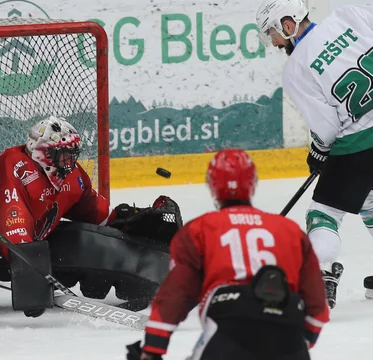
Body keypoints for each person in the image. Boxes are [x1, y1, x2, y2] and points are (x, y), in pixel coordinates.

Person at [255, 0, 373, 307]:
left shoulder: (296, 70)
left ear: (288, 24)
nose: (275, 44)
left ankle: (321, 277)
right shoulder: (348, 16)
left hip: (367, 140)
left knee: (324, 212)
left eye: (273, 33)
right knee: (369, 196)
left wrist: (318, 152)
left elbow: (328, 129)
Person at [0, 115, 180, 317]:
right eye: (64, 154)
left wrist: (127, 219)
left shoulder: (70, 174)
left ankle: (156, 276)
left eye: (73, 153)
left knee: (92, 241)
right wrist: (33, 286)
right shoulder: (16, 170)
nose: (71, 161)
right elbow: (15, 237)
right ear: (43, 155)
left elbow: (93, 211)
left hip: (31, 238)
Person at [126, 149, 329, 360]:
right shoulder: (289, 231)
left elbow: (174, 296)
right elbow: (317, 305)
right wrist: (299, 340)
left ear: (212, 186)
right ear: (253, 183)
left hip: (227, 334)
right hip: (289, 337)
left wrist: (152, 349)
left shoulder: (198, 230)